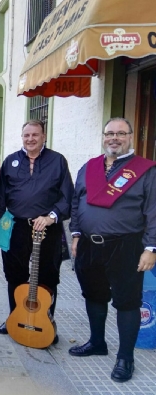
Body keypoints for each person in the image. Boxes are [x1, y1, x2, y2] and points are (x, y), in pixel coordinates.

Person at [68, 118, 156, 383]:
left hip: (126, 245)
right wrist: (74, 233)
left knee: (127, 301)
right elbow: (76, 201)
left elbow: (153, 210)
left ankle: (125, 357)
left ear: (130, 136)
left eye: (120, 133)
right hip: (88, 244)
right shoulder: (89, 167)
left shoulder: (146, 171)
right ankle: (97, 342)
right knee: (94, 294)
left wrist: (151, 247)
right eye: (109, 133)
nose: (114, 138)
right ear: (103, 136)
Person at [0, 119, 73, 343]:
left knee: (48, 276)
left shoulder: (57, 161)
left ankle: (46, 321)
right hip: (16, 228)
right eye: (26, 135)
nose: (30, 139)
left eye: (35, 135)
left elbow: (67, 196)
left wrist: (51, 217)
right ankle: (14, 317)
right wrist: (2, 220)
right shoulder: (10, 162)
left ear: (44, 136)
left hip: (47, 229)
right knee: (14, 276)